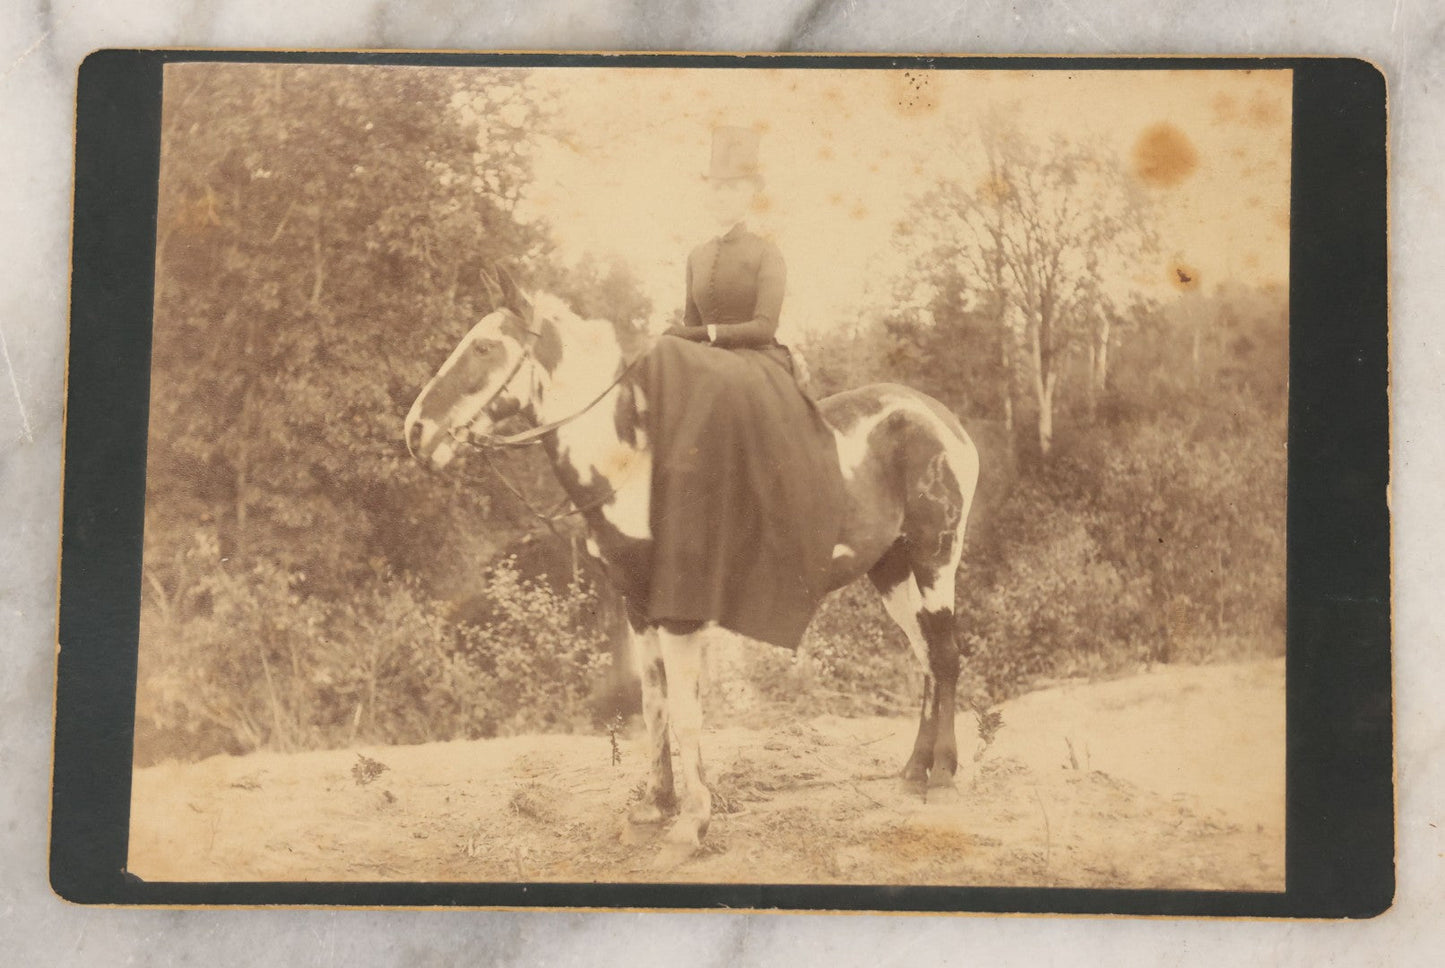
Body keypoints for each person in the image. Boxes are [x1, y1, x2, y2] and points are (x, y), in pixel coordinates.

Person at [662, 126, 797, 378]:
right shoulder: (696, 257)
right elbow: (691, 325)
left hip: (757, 366)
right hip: (706, 364)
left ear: (751, 194)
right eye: (716, 188)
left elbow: (765, 328)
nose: (722, 197)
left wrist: (705, 334)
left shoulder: (766, 253)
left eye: (733, 188)